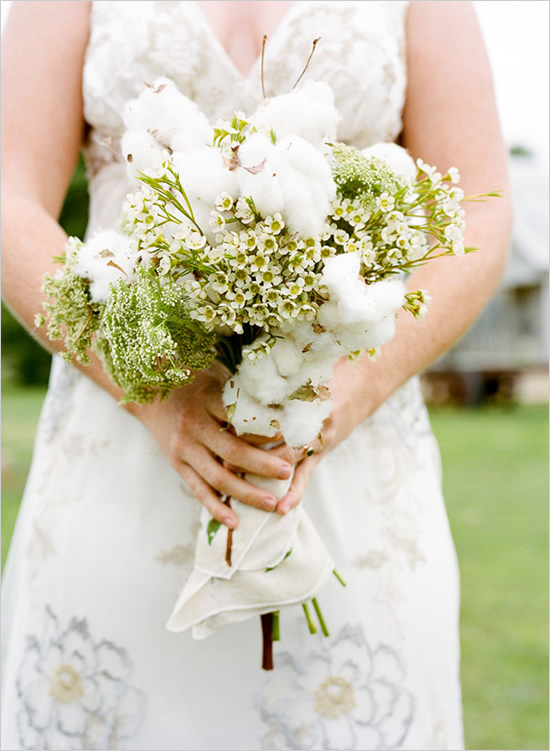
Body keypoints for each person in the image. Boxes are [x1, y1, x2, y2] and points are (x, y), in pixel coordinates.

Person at [1, 1, 511, 749]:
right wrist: (153, 392)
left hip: (351, 474)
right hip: (121, 460)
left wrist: (348, 391)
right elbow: (10, 197)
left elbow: (477, 214)